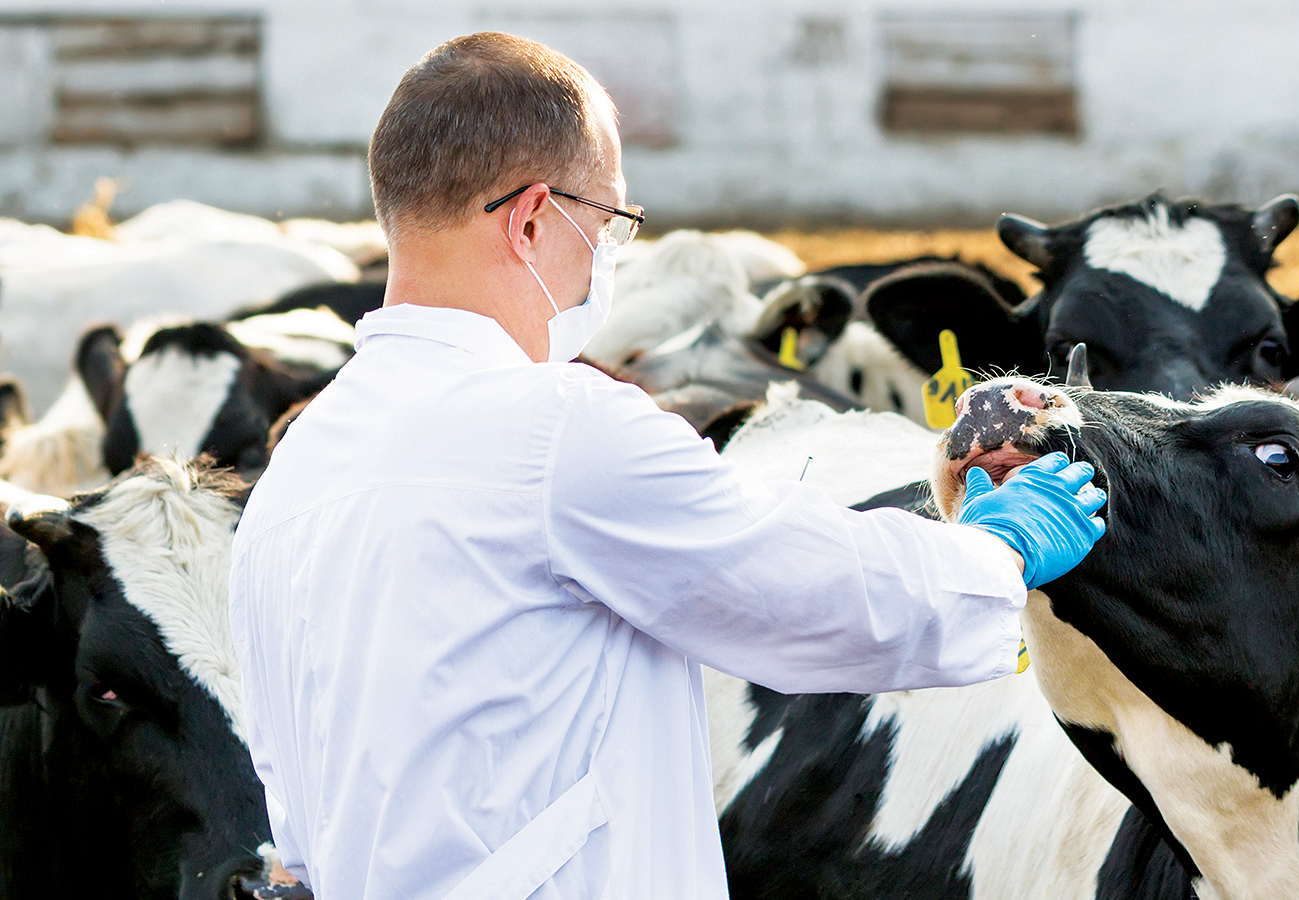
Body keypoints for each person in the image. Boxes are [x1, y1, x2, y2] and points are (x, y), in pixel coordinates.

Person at [228, 32, 1107, 900]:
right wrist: (998, 548)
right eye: (610, 222)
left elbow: (296, 814)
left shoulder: (298, 470)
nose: (610, 255)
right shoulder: (552, 430)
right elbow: (806, 587)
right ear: (534, 218)